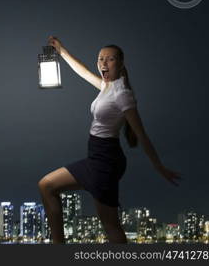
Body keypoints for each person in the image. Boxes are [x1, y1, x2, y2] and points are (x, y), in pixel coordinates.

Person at [38, 36, 182, 244]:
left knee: (110, 225)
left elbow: (141, 133)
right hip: (95, 157)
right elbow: (84, 72)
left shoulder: (122, 94)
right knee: (46, 185)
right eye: (100, 59)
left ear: (121, 64)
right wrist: (62, 52)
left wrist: (158, 165)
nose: (103, 63)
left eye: (110, 59)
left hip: (106, 160)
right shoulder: (108, 87)